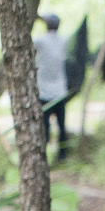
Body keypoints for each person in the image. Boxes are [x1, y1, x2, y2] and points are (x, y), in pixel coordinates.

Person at [34, 11, 69, 156]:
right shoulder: (64, 41)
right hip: (60, 90)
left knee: (45, 125)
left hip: (44, 92)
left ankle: (45, 152)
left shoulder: (39, 41)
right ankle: (63, 152)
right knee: (61, 124)